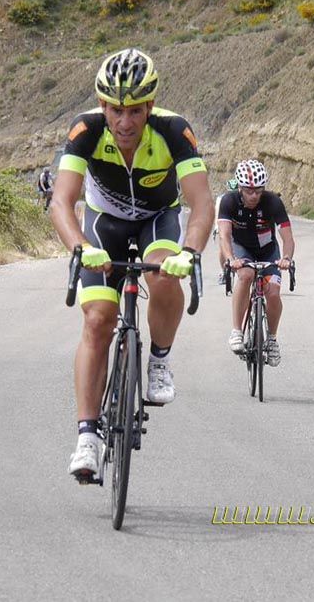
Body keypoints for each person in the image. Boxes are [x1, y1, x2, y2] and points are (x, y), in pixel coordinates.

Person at [49, 48, 214, 483]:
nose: (125, 122)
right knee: (98, 321)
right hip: (105, 225)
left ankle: (159, 359)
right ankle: (87, 436)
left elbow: (200, 203)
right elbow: (62, 201)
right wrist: (81, 246)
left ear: (150, 106)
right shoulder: (84, 130)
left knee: (162, 274)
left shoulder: (175, 131)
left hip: (157, 221)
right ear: (103, 106)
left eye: (135, 111)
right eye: (116, 110)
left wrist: (191, 252)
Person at [216, 159, 295, 367]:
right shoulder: (229, 202)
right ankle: (236, 331)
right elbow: (224, 236)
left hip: (268, 249)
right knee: (245, 275)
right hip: (241, 248)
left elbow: (287, 238)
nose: (254, 196)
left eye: (258, 191)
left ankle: (272, 339)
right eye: (249, 191)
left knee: (274, 293)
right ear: (240, 188)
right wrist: (231, 259)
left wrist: (286, 258)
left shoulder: (273, 202)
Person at [213, 177, 239, 284]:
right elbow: (218, 213)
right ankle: (223, 271)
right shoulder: (222, 198)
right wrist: (217, 227)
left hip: (238, 224)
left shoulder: (243, 197)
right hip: (225, 221)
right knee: (222, 246)